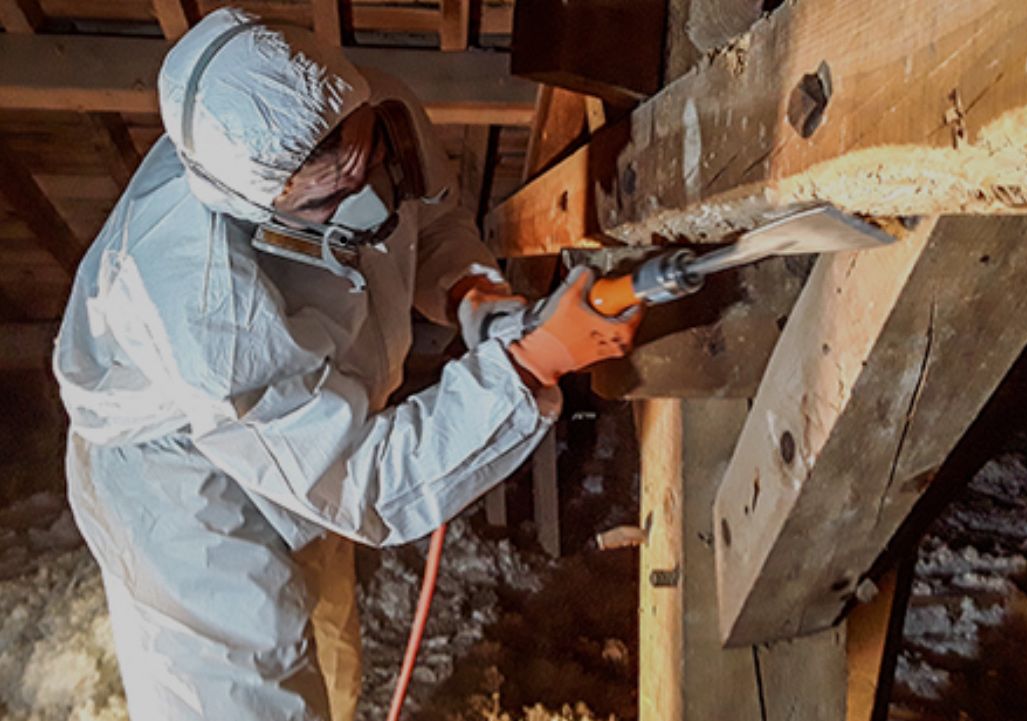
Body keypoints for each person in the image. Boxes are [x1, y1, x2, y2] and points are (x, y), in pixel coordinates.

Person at [52, 8, 641, 721]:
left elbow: (430, 220)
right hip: (177, 472)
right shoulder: (203, 300)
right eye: (328, 199)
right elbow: (362, 482)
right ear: (253, 207)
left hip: (311, 412)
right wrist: (527, 365)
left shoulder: (372, 104)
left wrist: (472, 295)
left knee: (331, 642)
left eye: (366, 165)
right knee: (250, 687)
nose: (366, 202)